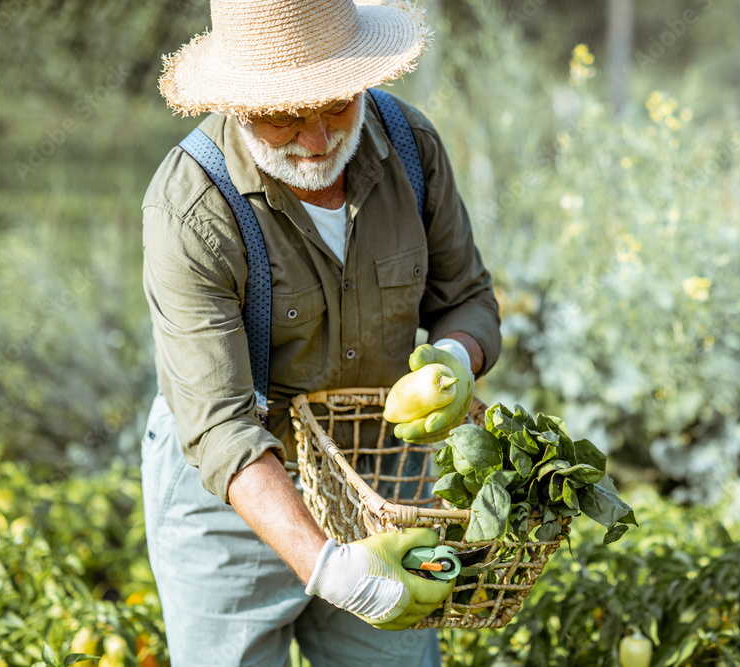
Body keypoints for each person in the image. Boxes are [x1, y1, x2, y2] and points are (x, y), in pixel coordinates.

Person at [138, 0, 501, 665]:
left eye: (335, 105)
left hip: (377, 479)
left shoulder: (409, 149)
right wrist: (339, 572)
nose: (315, 139)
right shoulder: (192, 207)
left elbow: (467, 297)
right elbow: (221, 429)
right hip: (233, 500)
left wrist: (452, 358)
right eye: (282, 117)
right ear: (239, 103)